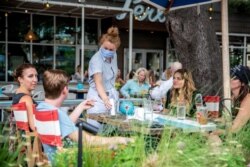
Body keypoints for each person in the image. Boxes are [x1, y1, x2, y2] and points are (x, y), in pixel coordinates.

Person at [37, 69, 133, 162]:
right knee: (117, 148)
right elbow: (87, 141)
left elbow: (64, 125)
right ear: (65, 90)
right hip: (66, 161)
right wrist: (118, 139)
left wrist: (80, 107)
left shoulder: (42, 108)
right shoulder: (57, 113)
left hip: (50, 158)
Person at [87, 26, 120, 116]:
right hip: (98, 98)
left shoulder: (114, 55)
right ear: (101, 44)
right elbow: (98, 83)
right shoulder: (96, 60)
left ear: (116, 49)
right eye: (105, 48)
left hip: (111, 96)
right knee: (95, 128)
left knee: (111, 128)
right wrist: (105, 99)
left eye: (111, 50)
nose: (107, 51)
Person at [212, 65, 250, 134]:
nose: (229, 79)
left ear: (243, 83)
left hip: (244, 138)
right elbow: (224, 120)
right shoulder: (231, 96)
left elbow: (235, 129)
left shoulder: (248, 99)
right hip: (234, 135)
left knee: (212, 135)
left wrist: (216, 132)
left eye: (234, 78)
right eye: (229, 75)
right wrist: (207, 120)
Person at [12, 63, 38, 131]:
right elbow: (34, 126)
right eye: (30, 76)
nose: (35, 80)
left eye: (36, 76)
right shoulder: (26, 99)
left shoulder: (17, 94)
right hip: (32, 139)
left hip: (24, 138)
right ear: (20, 79)